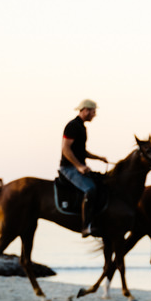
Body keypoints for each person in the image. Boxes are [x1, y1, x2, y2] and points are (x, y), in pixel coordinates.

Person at [59, 97, 107, 236]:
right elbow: (66, 149)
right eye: (93, 112)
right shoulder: (73, 125)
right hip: (68, 168)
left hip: (76, 166)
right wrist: (79, 166)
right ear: (85, 110)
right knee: (90, 189)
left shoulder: (81, 127)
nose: (95, 115)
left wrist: (98, 158)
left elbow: (80, 151)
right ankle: (85, 226)